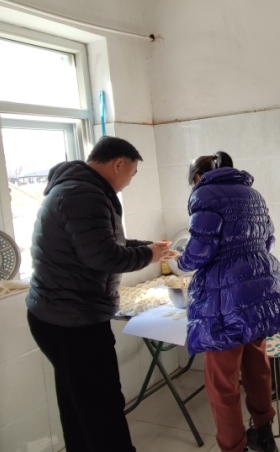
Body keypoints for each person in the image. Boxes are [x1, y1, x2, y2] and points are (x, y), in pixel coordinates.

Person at [26, 136, 172, 452]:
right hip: (72, 320)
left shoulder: (77, 189)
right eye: (132, 173)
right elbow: (103, 256)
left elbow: (102, 242)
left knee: (79, 403)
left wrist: (146, 247)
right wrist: (148, 255)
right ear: (118, 164)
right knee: (103, 406)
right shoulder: (84, 194)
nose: (129, 182)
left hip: (58, 314)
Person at [177, 151, 280, 452]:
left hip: (224, 301)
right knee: (257, 368)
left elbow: (199, 252)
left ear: (198, 177)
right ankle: (264, 435)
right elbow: (268, 241)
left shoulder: (204, 195)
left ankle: (233, 446)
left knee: (222, 382)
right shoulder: (253, 195)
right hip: (259, 291)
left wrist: (180, 260)